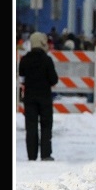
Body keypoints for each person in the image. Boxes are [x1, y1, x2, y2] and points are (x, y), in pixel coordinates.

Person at [18, 31, 59, 161]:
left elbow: (21, 79)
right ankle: (45, 154)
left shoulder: (24, 60)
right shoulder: (47, 60)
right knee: (46, 125)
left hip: (29, 97)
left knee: (31, 126)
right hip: (44, 97)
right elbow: (53, 79)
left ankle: (32, 155)